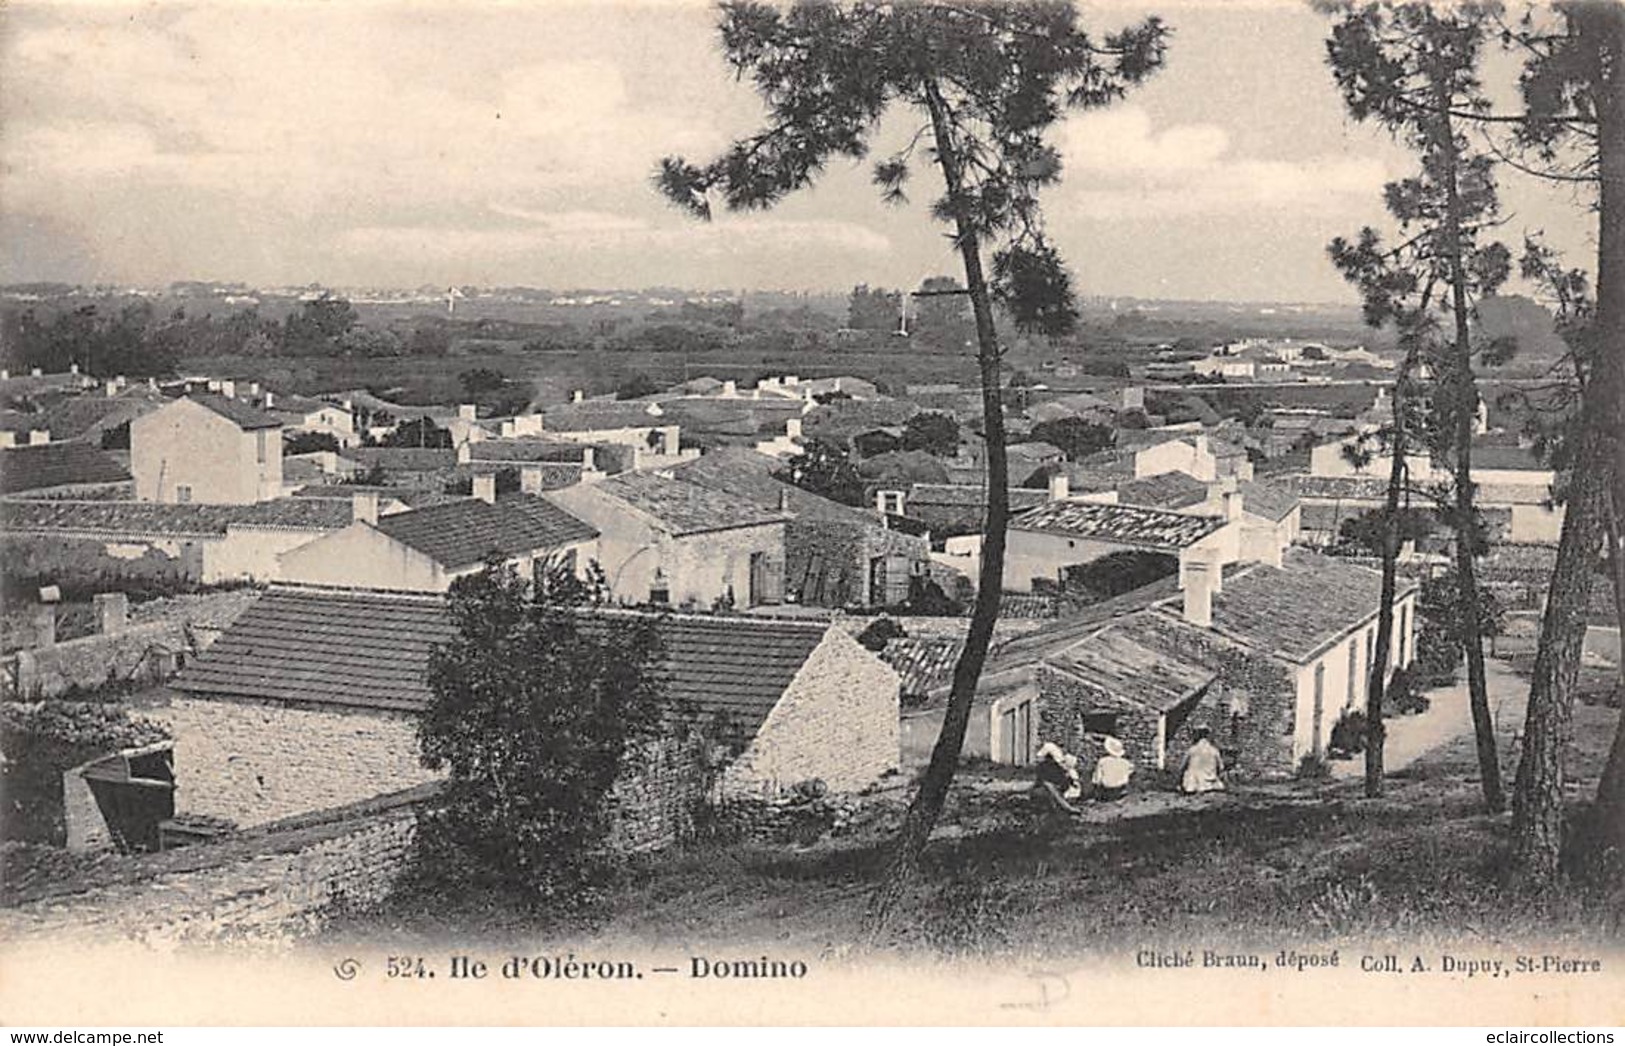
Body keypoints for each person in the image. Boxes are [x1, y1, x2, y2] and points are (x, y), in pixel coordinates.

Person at [1180, 726, 1226, 795]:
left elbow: (1182, 767)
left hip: (1192, 784)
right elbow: (1221, 768)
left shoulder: (1191, 750)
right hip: (1209, 782)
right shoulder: (1214, 750)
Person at [1090, 736, 1134, 802]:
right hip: (1121, 787)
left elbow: (1097, 779)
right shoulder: (1126, 762)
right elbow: (1131, 770)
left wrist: (1096, 784)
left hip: (1107, 788)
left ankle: (1100, 795)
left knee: (1097, 774)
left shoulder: (1103, 761)